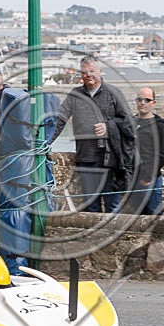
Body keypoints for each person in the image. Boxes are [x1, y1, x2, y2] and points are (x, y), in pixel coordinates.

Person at [52, 55, 136, 213]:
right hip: (86, 159)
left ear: (100, 71)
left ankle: (114, 236)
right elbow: (59, 121)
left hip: (110, 158)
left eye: (92, 70)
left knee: (113, 205)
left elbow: (129, 123)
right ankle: (95, 238)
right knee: (91, 205)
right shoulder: (74, 95)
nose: (88, 74)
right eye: (84, 72)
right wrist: (44, 143)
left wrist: (108, 127)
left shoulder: (114, 93)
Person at [131, 86, 164, 215]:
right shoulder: (131, 123)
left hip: (151, 179)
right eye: (140, 99)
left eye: (147, 100)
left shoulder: (159, 126)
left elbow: (162, 155)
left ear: (153, 103)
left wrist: (147, 177)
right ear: (136, 101)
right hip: (134, 179)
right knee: (137, 216)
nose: (143, 103)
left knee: (154, 215)